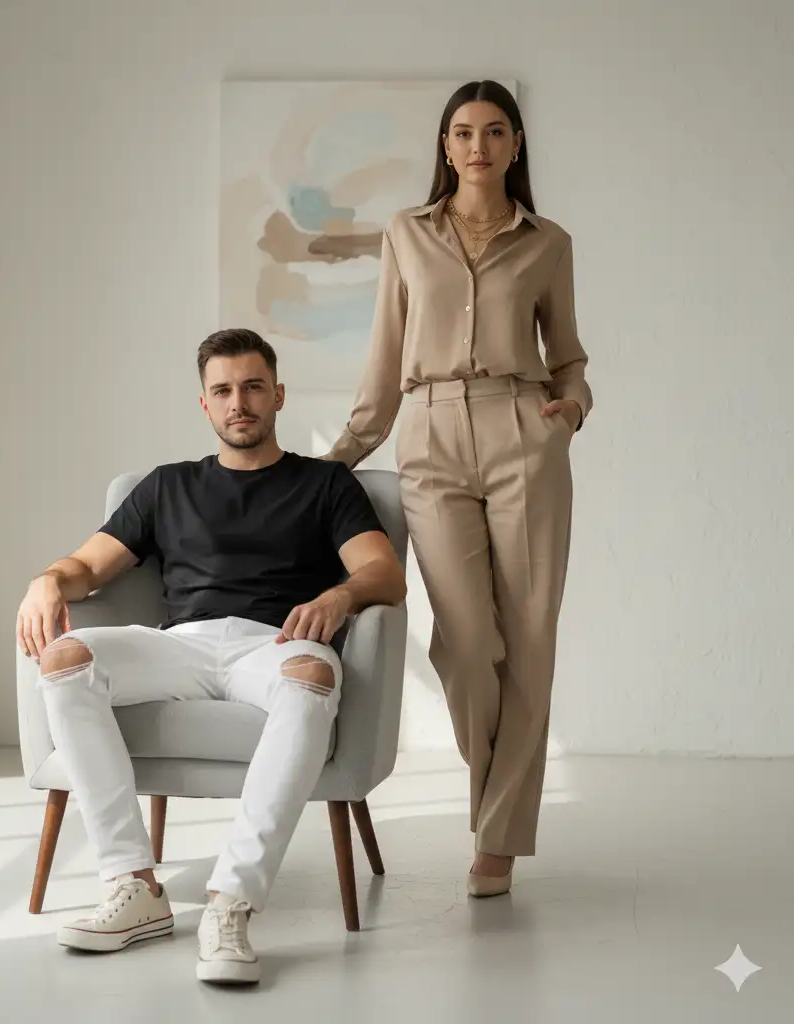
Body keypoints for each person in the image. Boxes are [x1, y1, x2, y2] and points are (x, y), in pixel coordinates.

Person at [16, 328, 406, 984]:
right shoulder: (167, 487)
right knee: (63, 659)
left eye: (253, 387)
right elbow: (87, 565)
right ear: (205, 405)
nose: (239, 402)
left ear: (278, 395)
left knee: (313, 676)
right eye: (223, 390)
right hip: (181, 646)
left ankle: (232, 902)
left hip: (276, 645)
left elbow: (384, 574)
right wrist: (48, 580)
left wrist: (338, 600)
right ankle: (133, 885)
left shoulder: (326, 485)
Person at [324, 80, 593, 897]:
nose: (479, 145)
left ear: (516, 146)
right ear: (445, 147)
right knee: (468, 643)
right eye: (464, 132)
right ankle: (497, 799)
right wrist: (337, 458)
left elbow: (570, 352)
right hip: (432, 434)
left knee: (531, 640)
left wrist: (571, 407)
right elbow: (383, 358)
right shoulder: (407, 233)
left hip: (524, 433)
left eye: (496, 131)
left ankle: (499, 838)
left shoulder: (548, 242)